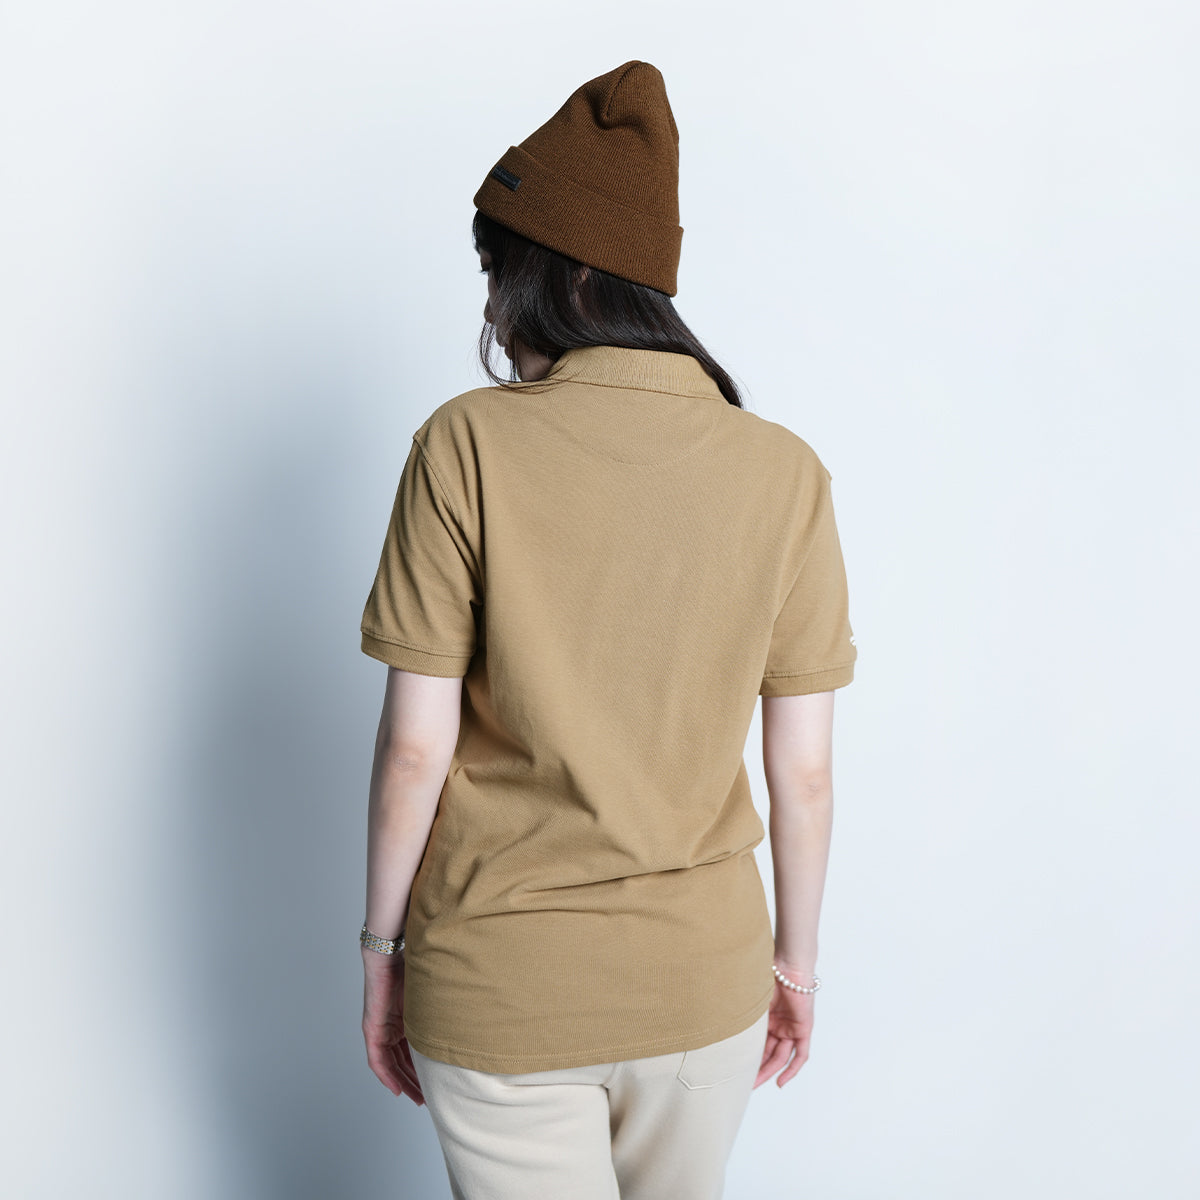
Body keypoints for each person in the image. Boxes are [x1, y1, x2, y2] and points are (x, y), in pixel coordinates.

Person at [357, 60, 857, 1200]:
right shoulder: (784, 472)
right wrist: (796, 967)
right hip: (701, 983)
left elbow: (415, 749)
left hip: (502, 981)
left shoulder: (465, 444)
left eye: (499, 270)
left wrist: (382, 956)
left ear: (564, 272)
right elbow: (805, 771)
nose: (493, 306)